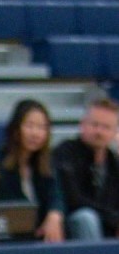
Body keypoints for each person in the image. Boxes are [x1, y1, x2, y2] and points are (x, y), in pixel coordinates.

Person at [0, 99, 64, 242]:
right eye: (30, 126)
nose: (36, 133)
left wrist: (54, 215)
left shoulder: (47, 162)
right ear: (15, 128)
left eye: (42, 127)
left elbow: (56, 195)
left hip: (41, 235)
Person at [51, 96, 119, 239]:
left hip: (107, 225)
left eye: (106, 127)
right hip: (71, 223)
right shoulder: (65, 152)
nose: (99, 132)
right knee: (86, 218)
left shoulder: (114, 162)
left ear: (114, 133)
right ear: (82, 125)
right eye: (94, 125)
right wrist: (113, 219)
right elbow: (74, 199)